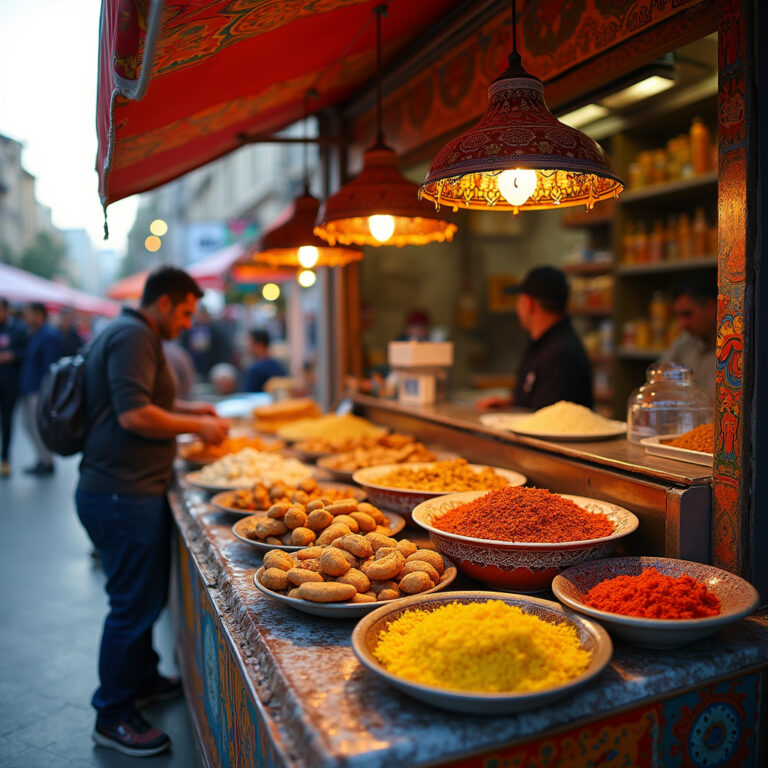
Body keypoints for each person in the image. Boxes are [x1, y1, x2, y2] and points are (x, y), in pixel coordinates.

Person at [75, 266, 229, 757]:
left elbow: (147, 399)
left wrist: (193, 411)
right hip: (121, 493)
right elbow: (134, 414)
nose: (187, 324)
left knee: (141, 598)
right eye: (185, 312)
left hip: (128, 488)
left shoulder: (131, 334)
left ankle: (140, 677)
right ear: (164, 303)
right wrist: (197, 428)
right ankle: (113, 714)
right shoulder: (132, 336)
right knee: (131, 606)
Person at [478, 266, 593, 411]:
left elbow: (548, 419)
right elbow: (538, 401)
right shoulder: (544, 343)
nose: (517, 307)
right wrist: (511, 403)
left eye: (518, 300)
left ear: (529, 304)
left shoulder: (561, 354)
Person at [20, 302, 61, 475]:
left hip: (38, 390)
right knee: (29, 425)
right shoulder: (37, 333)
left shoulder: (48, 335)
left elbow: (49, 367)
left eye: (28, 313)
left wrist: (46, 392)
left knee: (36, 426)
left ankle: (46, 461)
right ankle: (43, 459)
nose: (25, 317)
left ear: (39, 315)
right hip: (31, 388)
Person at [660, 277, 717, 394]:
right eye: (679, 316)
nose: (682, 324)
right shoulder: (685, 342)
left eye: (687, 314)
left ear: (712, 307)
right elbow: (659, 380)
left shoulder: (733, 348)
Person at [0, 298, 27, 477]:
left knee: (7, 421)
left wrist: (12, 356)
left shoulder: (18, 329)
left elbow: (26, 352)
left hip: (9, 383)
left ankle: (5, 458)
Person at [178, 304, 232, 381]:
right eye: (201, 314)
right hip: (194, 370)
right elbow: (183, 347)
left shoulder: (216, 330)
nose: (203, 317)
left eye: (205, 314)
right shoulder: (189, 330)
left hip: (213, 370)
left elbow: (224, 349)